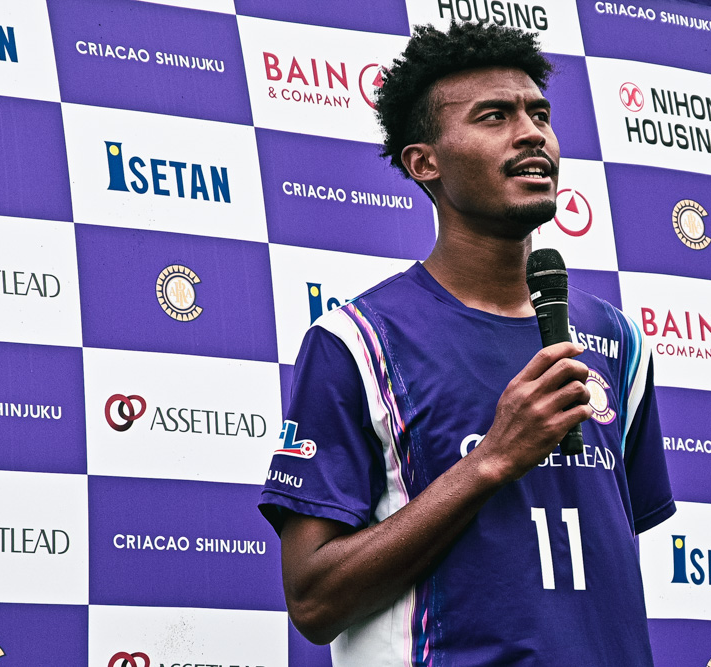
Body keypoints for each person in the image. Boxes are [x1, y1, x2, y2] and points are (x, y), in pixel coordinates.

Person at [259, 21, 675, 666]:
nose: (531, 133)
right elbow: (314, 602)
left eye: (539, 114)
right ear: (424, 162)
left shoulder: (616, 340)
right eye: (494, 116)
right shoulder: (357, 342)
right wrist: (492, 459)